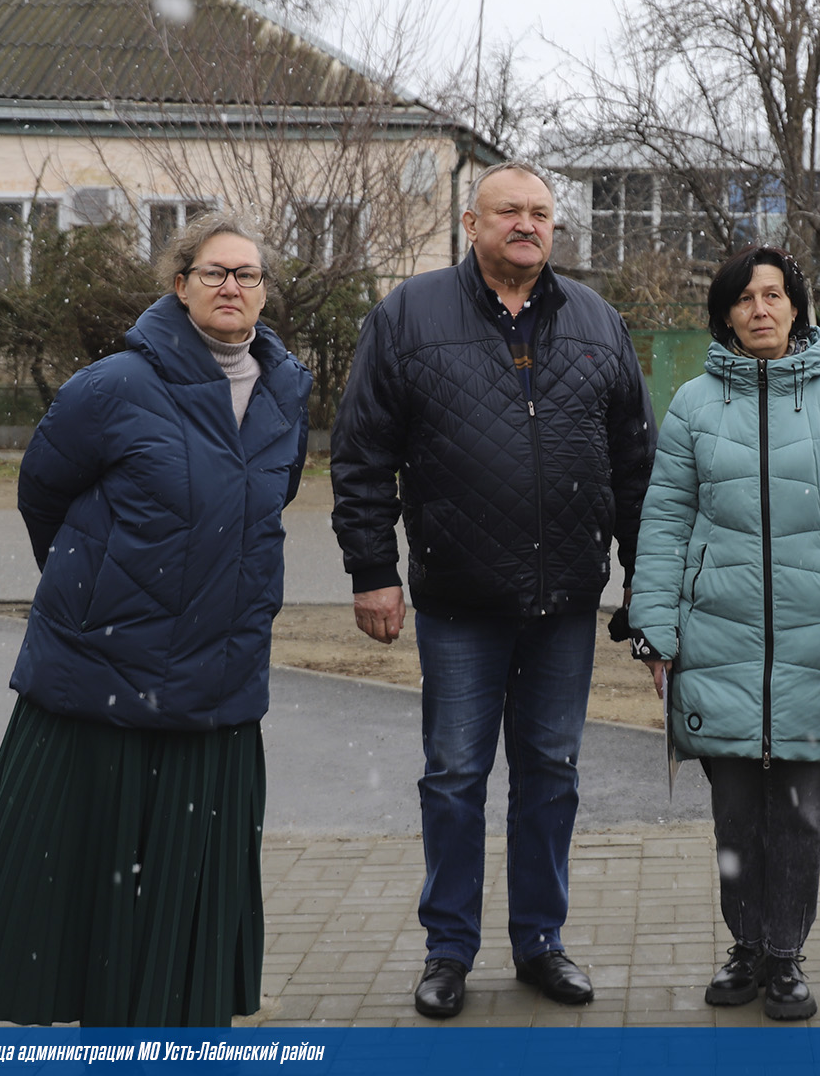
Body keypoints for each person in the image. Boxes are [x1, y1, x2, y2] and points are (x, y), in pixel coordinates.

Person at [0, 215, 311, 1026]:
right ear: (179, 284)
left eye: (248, 276)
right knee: (95, 902)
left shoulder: (287, 391)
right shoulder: (114, 385)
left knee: (184, 907)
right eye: (214, 272)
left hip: (218, 683)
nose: (232, 288)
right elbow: (44, 494)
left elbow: (266, 502)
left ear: (264, 294)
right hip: (104, 679)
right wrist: (105, 588)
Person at [331, 159, 655, 1019]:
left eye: (541, 213)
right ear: (471, 225)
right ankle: (449, 950)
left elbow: (636, 467)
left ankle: (541, 941)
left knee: (551, 774)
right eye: (508, 211)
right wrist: (373, 571)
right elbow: (362, 456)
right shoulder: (408, 316)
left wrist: (645, 584)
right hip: (457, 601)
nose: (527, 225)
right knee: (454, 776)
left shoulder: (595, 320)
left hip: (565, 606)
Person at [626, 245, 820, 1021]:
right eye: (745, 297)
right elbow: (666, 521)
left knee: (804, 814)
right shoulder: (692, 405)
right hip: (718, 642)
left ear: (797, 308)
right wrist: (656, 628)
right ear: (726, 313)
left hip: (816, 642)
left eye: (775, 295)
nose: (761, 309)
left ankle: (786, 955)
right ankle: (745, 946)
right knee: (737, 813)